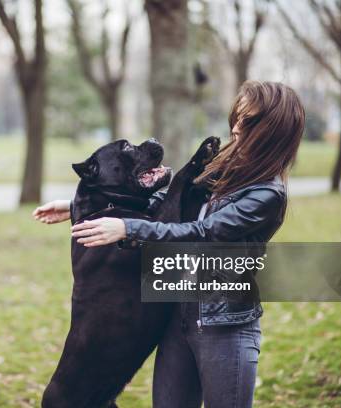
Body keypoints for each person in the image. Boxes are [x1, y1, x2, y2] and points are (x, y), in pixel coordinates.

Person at [33, 81, 305, 408]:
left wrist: (127, 227)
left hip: (224, 327)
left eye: (247, 122)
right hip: (178, 321)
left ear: (273, 131)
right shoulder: (227, 169)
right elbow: (169, 205)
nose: (235, 128)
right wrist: (81, 205)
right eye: (236, 117)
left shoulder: (267, 195)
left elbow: (202, 232)